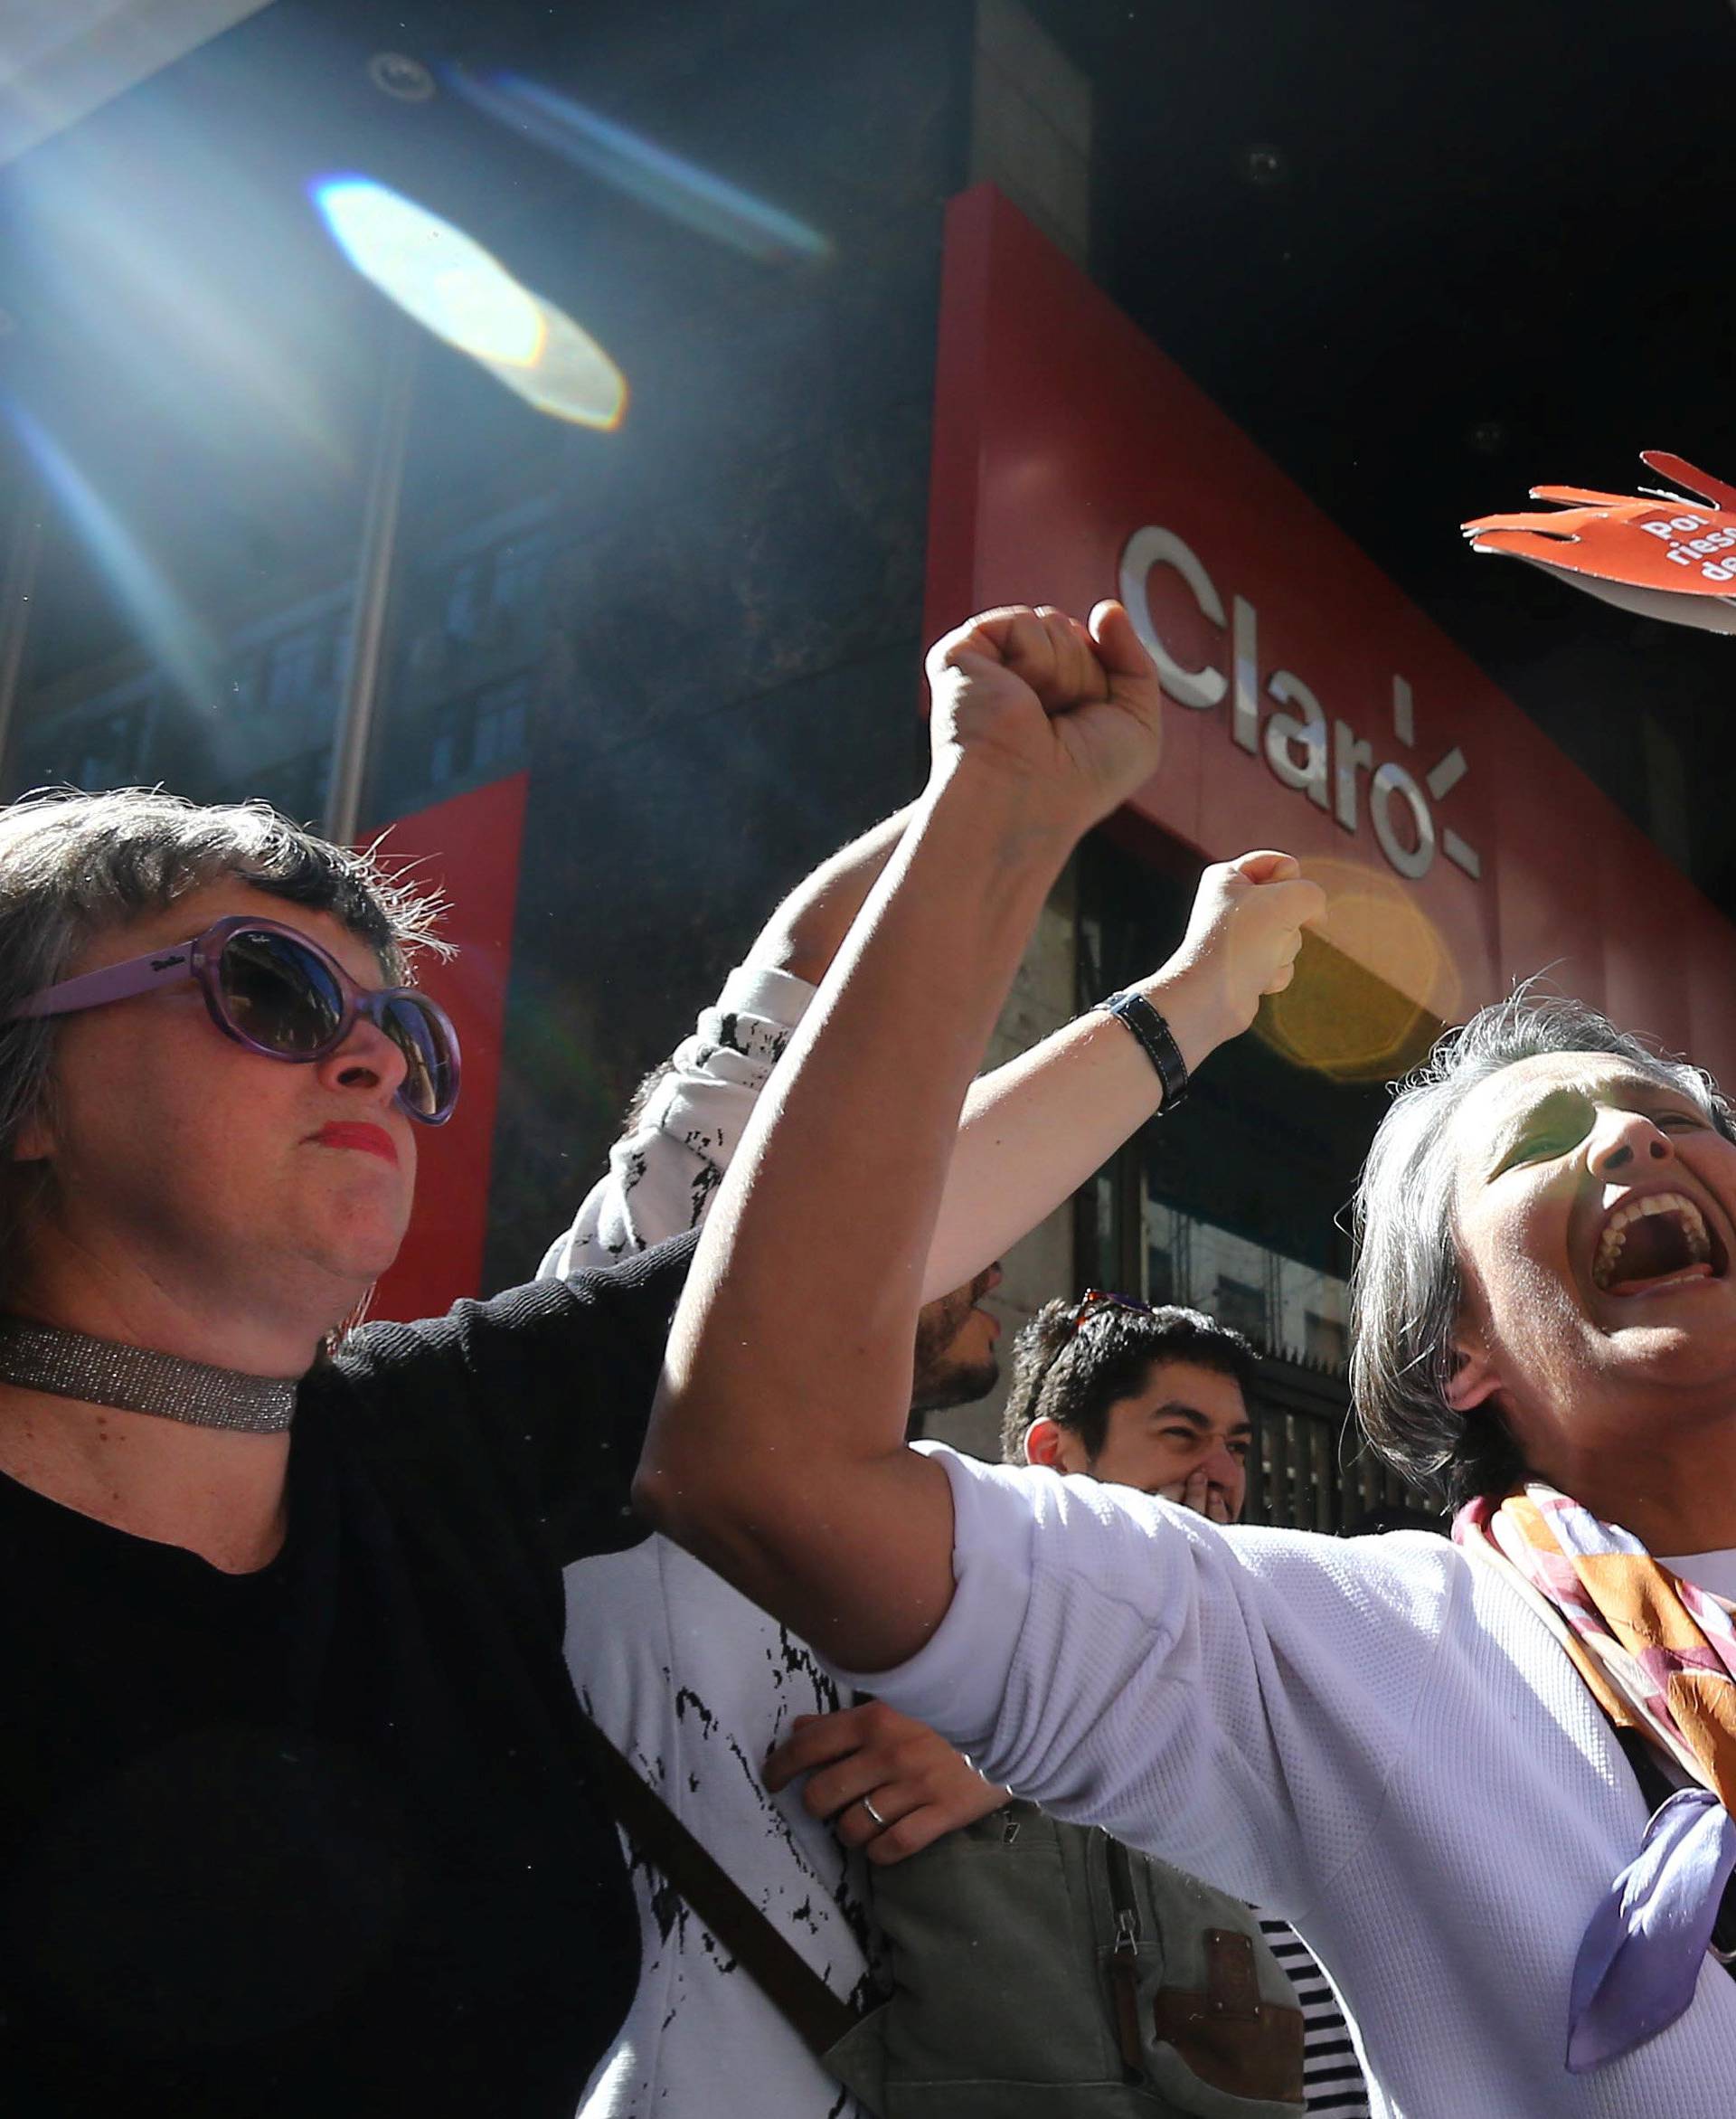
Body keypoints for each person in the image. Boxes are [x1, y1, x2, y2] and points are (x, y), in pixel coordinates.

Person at [641, 598, 1736, 2115]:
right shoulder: (1370, 1650)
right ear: (1459, 1347)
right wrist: (1003, 832)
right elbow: (756, 1443)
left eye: (1681, 1120)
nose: (1632, 1133)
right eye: (1544, 1139)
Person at [543, 800, 1320, 2117]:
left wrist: (999, 1768)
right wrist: (1009, 783)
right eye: (955, 1178)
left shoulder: (933, 1538)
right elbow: (800, 955)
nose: (1001, 1240)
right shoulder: (643, 1384)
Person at [771, 1297, 1370, 2119]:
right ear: (1052, 1454)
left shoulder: (1275, 1640)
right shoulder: (923, 1632)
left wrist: (1023, 1746)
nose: (1220, 1472)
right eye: (1181, 1433)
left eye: (1235, 1445)